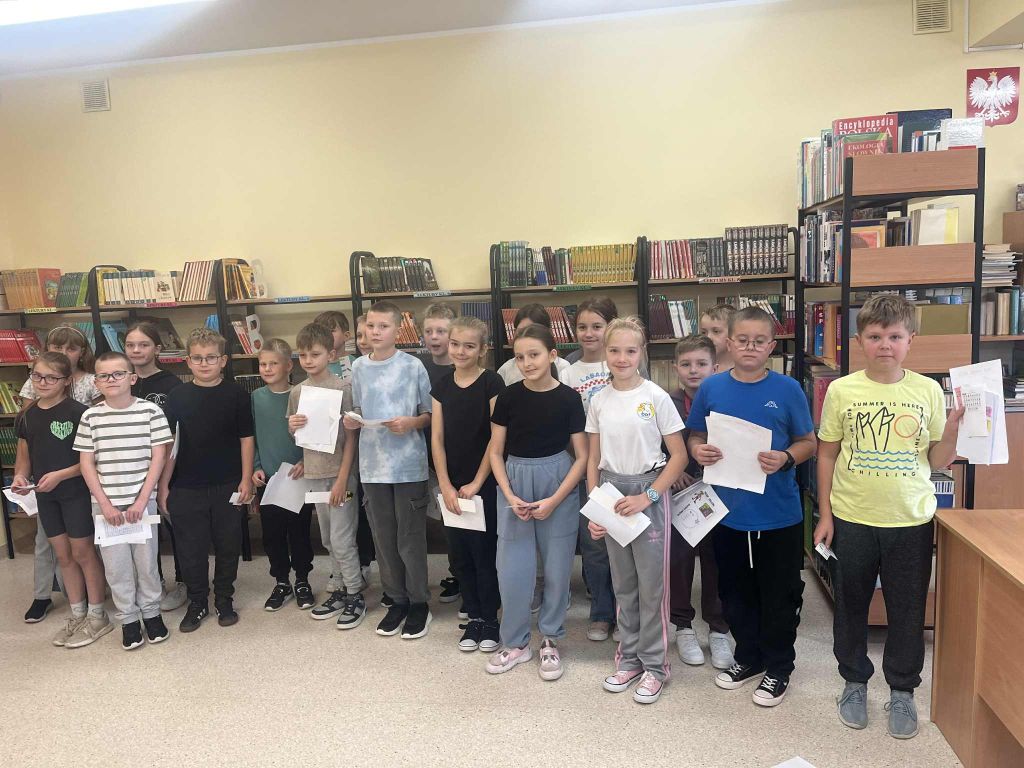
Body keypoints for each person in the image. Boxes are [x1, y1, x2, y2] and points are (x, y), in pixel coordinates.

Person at [814, 295, 963, 739]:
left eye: (894, 336)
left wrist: (953, 432)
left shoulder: (927, 391)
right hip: (852, 517)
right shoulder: (842, 390)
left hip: (909, 520)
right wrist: (825, 514)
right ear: (859, 340)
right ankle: (854, 681)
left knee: (908, 608)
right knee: (851, 604)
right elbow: (827, 454)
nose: (885, 345)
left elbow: (938, 460)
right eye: (875, 336)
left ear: (910, 340)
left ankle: (902, 688)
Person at [687, 306, 816, 707]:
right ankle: (748, 657)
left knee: (779, 594)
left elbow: (809, 442)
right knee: (734, 591)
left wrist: (787, 458)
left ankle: (778, 666)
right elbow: (695, 434)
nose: (750, 347)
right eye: (742, 340)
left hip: (778, 514)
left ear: (771, 347)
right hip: (728, 513)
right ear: (729, 342)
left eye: (759, 341)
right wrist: (698, 450)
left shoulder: (788, 390)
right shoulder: (712, 388)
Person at [585, 317, 687, 704]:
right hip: (612, 493)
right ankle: (628, 659)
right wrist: (596, 510)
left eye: (630, 350)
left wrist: (649, 497)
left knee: (652, 587)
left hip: (648, 493)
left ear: (642, 352)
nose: (622, 358)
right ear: (605, 353)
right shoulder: (599, 400)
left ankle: (655, 666)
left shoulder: (655, 397)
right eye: (614, 350)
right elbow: (592, 459)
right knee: (623, 585)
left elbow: (678, 457)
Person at [485, 324, 587, 680]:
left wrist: (556, 500)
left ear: (552, 355)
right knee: (512, 567)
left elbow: (582, 457)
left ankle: (550, 639)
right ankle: (515, 642)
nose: (527, 363)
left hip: (558, 480)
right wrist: (509, 493)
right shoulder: (508, 397)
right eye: (520, 357)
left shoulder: (569, 398)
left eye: (534, 355)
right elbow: (495, 452)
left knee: (557, 567)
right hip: (514, 479)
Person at [344, 301, 433, 639]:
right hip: (373, 466)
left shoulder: (413, 366)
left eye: (383, 326)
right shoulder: (358, 368)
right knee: (383, 538)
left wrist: (411, 422)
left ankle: (419, 603)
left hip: (408, 465)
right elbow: (357, 408)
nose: (376, 332)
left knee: (409, 538)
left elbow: (428, 414)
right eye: (371, 326)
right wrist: (351, 421)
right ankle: (396, 599)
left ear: (398, 330)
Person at [158, 328, 255, 633]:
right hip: (186, 485)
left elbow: (246, 439)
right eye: (197, 358)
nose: (204, 363)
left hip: (228, 484)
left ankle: (224, 599)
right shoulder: (177, 396)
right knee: (191, 548)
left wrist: (246, 479)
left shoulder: (237, 395)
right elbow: (170, 445)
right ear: (188, 361)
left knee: (228, 544)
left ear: (223, 360)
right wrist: (164, 486)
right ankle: (198, 601)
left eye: (211, 358)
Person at [75, 351, 173, 650]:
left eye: (118, 374)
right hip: (106, 506)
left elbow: (159, 457)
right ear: (96, 382)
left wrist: (142, 500)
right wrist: (105, 504)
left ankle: (152, 614)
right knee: (116, 566)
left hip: (142, 503)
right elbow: (86, 463)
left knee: (146, 563)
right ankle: (129, 619)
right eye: (103, 375)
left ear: (132, 378)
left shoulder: (150, 412)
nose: (111, 380)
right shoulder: (90, 416)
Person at [13, 352, 110, 648]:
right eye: (37, 376)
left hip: (76, 493)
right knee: (63, 555)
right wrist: (20, 477)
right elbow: (24, 457)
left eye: (51, 378)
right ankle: (77, 613)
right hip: (47, 497)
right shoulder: (27, 415)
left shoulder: (80, 413)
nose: (42, 382)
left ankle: (97, 615)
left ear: (66, 381)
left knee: (83, 553)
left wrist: (60, 475)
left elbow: (91, 460)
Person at [430, 315, 504, 652]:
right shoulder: (442, 386)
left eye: (469, 346)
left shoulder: (492, 383)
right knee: (459, 554)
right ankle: (473, 616)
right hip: (452, 484)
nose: (460, 351)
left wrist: (476, 482)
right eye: (455, 344)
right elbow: (437, 438)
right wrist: (445, 484)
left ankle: (490, 618)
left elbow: (495, 438)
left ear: (482, 350)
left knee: (483, 553)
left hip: (483, 483)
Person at [287, 324, 362, 627]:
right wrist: (292, 427)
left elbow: (352, 438)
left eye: (315, 354)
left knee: (343, 538)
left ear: (330, 355)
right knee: (328, 538)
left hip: (341, 476)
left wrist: (344, 478)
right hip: (315, 475)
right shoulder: (297, 392)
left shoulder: (342, 389)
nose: (308, 360)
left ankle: (355, 593)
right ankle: (340, 587)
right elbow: (298, 435)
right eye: (303, 355)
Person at [667, 335, 734, 670]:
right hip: (679, 494)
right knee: (679, 560)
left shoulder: (725, 400)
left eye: (701, 364)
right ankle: (682, 625)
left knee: (717, 559)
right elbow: (654, 443)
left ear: (715, 367)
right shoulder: (666, 401)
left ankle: (719, 628)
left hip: (719, 492)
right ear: (675, 367)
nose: (693, 370)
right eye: (686, 364)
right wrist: (671, 469)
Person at [559, 297, 617, 642]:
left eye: (597, 326)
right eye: (582, 326)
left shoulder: (622, 362)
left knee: (624, 542)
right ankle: (602, 612)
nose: (589, 333)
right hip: (584, 468)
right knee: (594, 543)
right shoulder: (568, 372)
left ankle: (626, 612)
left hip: (622, 468)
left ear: (611, 327)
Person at [125, 320, 187, 612]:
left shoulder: (171, 385)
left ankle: (185, 581)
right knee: (145, 531)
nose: (136, 350)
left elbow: (176, 435)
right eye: (130, 345)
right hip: (133, 468)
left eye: (144, 344)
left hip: (168, 468)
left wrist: (164, 479)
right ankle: (154, 582)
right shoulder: (123, 381)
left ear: (157, 349)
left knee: (175, 525)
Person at [251, 339, 314, 612]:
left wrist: (306, 461)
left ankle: (302, 580)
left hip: (298, 476)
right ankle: (281, 581)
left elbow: (314, 434)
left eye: (273, 363)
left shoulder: (301, 395)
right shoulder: (255, 398)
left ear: (289, 365)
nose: (267, 368)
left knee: (299, 532)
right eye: (262, 364)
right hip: (268, 479)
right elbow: (251, 437)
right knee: (272, 534)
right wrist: (255, 466)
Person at [420, 302, 460, 606]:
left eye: (441, 331)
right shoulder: (418, 368)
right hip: (423, 453)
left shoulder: (461, 367)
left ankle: (462, 574)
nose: (434, 337)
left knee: (458, 519)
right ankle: (454, 572)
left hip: (455, 455)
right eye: (429, 331)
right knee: (443, 520)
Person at [496, 303, 571, 385]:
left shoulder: (564, 368)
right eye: (521, 331)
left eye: (532, 331)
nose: (526, 335)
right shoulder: (506, 370)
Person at [314, 310, 355, 381]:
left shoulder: (355, 364)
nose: (325, 335)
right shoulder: (315, 364)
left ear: (346, 336)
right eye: (321, 332)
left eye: (331, 331)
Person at [699, 304, 736, 373]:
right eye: (703, 332)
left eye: (716, 331)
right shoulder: (698, 369)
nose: (708, 337)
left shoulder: (745, 368)